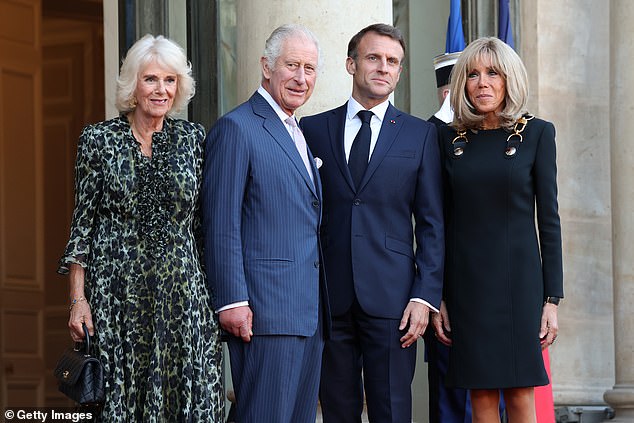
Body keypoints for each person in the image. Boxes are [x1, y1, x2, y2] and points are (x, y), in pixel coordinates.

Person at [58, 34, 224, 421]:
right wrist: (78, 300)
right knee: (121, 401)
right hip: (118, 299)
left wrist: (216, 297)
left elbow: (203, 227)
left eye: (169, 80)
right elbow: (82, 225)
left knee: (188, 398)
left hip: (183, 300)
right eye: (150, 79)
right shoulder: (99, 140)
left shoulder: (194, 140)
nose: (161, 89)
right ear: (133, 84)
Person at [301, 23, 444, 423]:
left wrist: (424, 296)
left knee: (392, 410)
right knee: (337, 411)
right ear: (351, 64)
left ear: (399, 72)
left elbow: (432, 223)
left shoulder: (419, 135)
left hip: (395, 301)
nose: (383, 67)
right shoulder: (312, 130)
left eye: (392, 61)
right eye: (373, 58)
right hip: (328, 298)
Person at [432, 36, 563, 423]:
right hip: (467, 287)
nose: (483, 83)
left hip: (520, 286)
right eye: (472, 75)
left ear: (510, 79)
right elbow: (439, 221)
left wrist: (552, 299)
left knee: (522, 391)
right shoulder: (447, 138)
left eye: (493, 73)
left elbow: (550, 220)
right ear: (462, 84)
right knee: (481, 393)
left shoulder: (537, 133)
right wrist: (437, 295)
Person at [201, 24, 328, 423]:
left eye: (309, 68)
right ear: (266, 66)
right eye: (292, 65)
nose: (301, 78)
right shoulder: (237, 127)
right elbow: (220, 223)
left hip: (307, 312)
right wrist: (232, 300)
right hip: (264, 313)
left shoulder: (297, 131)